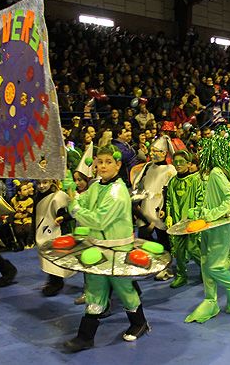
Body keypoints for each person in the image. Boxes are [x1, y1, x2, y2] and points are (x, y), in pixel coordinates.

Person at [64, 145, 149, 352]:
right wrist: (72, 192)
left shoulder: (117, 193)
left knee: (124, 289)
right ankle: (85, 337)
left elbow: (98, 220)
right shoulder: (96, 185)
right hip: (98, 248)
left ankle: (140, 323)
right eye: (99, 161)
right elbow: (83, 201)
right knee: (95, 290)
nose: (102, 166)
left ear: (118, 165)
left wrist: (75, 208)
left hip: (118, 250)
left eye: (108, 162)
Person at [185, 133, 230, 323]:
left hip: (219, 225)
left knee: (214, 265)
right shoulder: (215, 173)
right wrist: (201, 212)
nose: (201, 153)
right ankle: (210, 300)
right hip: (212, 224)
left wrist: (212, 214)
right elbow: (215, 199)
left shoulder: (216, 173)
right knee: (205, 263)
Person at [130, 135, 177, 280]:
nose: (152, 153)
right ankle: (148, 263)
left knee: (163, 240)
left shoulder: (170, 170)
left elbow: (169, 192)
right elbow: (140, 187)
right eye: (151, 150)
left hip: (160, 209)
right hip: (146, 207)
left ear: (164, 153)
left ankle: (165, 267)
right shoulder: (148, 167)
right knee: (144, 239)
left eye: (156, 151)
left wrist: (166, 210)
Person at [165, 150, 203, 288]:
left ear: (189, 163)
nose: (178, 165)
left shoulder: (195, 180)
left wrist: (195, 214)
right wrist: (168, 215)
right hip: (176, 223)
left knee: (193, 248)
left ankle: (206, 270)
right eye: (176, 162)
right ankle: (181, 275)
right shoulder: (173, 182)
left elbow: (200, 199)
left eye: (182, 162)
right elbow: (168, 200)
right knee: (179, 251)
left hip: (191, 223)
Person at [35, 179, 75, 297]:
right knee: (48, 258)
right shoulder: (38, 196)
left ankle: (56, 282)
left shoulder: (58, 197)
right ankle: (53, 280)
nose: (41, 186)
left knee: (56, 257)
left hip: (57, 231)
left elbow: (69, 214)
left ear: (52, 182)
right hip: (43, 231)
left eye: (45, 182)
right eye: (38, 183)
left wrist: (62, 218)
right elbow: (35, 215)